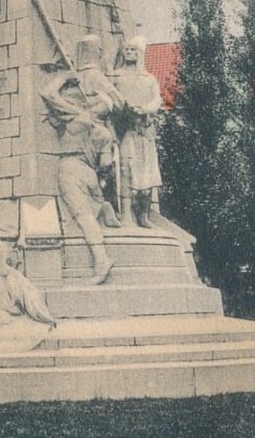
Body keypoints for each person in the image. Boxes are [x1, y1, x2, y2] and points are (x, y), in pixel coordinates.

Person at [40, 68, 120, 283]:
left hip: (70, 167)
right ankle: (101, 207)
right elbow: (105, 165)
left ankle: (101, 260)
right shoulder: (105, 134)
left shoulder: (76, 114)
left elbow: (47, 93)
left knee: (82, 218)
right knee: (82, 214)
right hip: (90, 173)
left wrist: (64, 77)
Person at [111, 37, 163, 228]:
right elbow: (112, 99)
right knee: (126, 170)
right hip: (127, 129)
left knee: (149, 173)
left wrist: (146, 109)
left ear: (139, 54)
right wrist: (126, 109)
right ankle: (125, 215)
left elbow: (157, 100)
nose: (129, 52)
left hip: (146, 131)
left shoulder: (149, 79)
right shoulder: (116, 76)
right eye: (126, 49)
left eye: (133, 49)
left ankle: (143, 216)